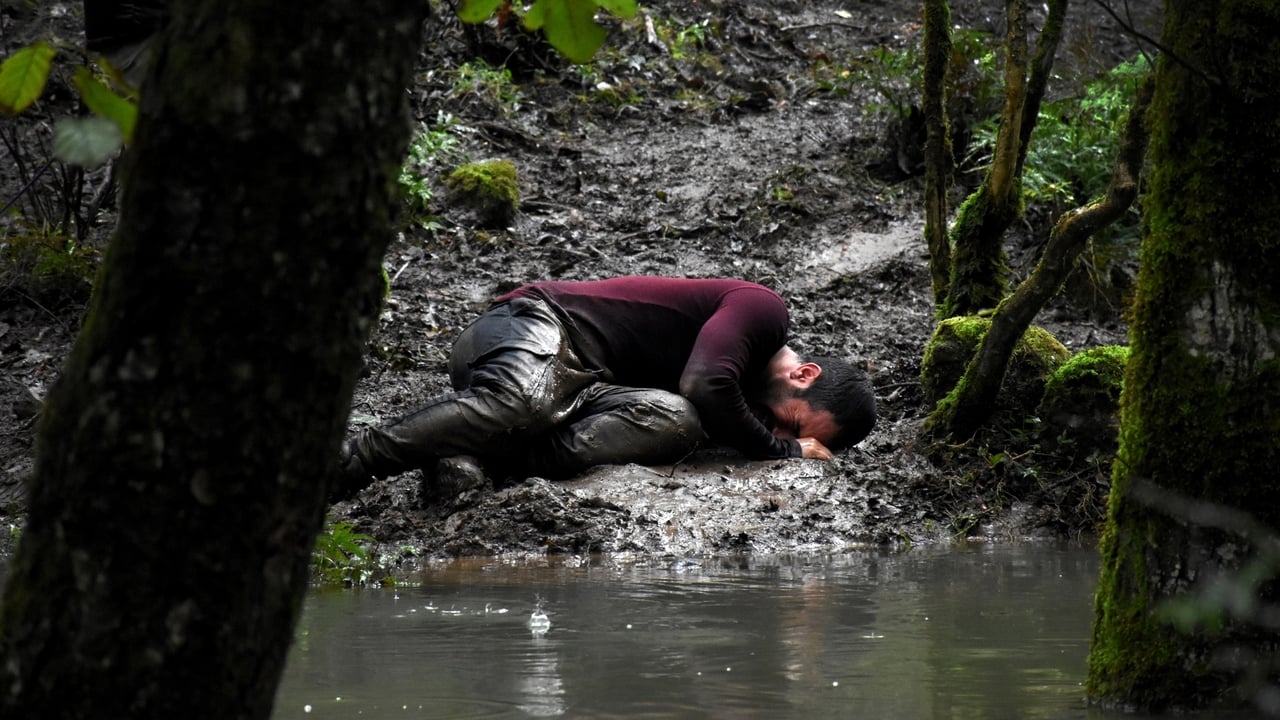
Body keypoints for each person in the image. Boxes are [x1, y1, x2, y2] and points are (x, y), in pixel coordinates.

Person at [335, 276, 876, 500]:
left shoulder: (734, 405)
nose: (777, 431)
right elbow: (702, 382)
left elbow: (690, 402)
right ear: (804, 375)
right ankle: (349, 463)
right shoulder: (764, 311)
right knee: (525, 399)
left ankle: (476, 457)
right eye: (794, 422)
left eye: (788, 434)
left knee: (674, 421)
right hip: (538, 326)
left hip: (587, 392)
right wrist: (783, 449)